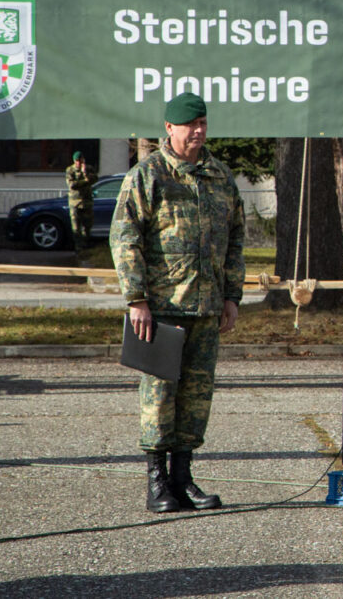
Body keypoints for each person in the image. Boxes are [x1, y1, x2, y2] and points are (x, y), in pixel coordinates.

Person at [110, 92, 245, 514]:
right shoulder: (147, 176)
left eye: (203, 123)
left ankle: (183, 479)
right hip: (162, 310)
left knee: (196, 399)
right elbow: (124, 237)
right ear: (169, 128)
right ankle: (157, 483)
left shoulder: (220, 177)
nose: (199, 131)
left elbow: (236, 239)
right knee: (158, 398)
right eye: (190, 125)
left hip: (206, 309)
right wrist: (136, 299)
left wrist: (231, 296)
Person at [65, 151, 96, 250]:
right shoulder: (70, 170)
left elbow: (94, 179)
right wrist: (85, 181)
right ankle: (78, 247)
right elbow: (72, 185)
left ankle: (86, 245)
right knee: (76, 227)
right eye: (76, 161)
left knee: (87, 226)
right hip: (75, 203)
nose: (78, 163)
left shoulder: (89, 168)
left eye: (80, 160)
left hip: (87, 202)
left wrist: (85, 172)